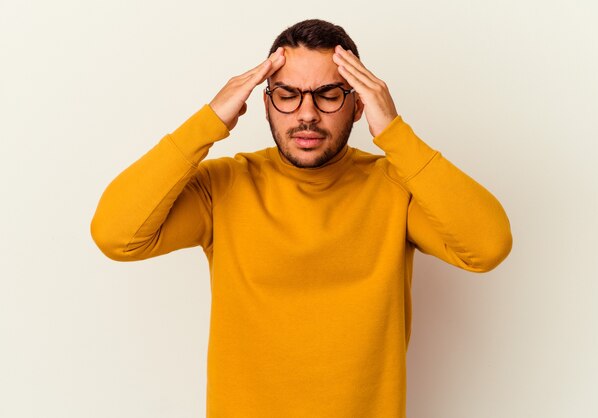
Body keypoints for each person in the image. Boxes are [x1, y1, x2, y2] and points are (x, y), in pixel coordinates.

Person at [91, 18, 512, 418]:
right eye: (288, 94)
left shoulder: (394, 187)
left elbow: (487, 247)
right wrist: (210, 119)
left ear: (359, 104)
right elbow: (116, 235)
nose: (306, 114)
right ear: (265, 102)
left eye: (328, 94)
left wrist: (396, 134)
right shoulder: (224, 186)